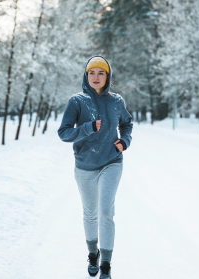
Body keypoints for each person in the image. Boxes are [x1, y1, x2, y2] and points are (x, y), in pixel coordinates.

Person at [58, 56, 133, 279]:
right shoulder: (77, 101)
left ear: (107, 76)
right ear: (86, 75)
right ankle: (93, 254)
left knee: (105, 212)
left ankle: (106, 265)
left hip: (111, 161)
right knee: (90, 214)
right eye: (92, 73)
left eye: (101, 73)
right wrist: (87, 128)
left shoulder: (116, 101)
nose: (96, 77)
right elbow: (64, 133)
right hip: (85, 165)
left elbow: (126, 124)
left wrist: (124, 141)